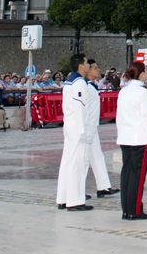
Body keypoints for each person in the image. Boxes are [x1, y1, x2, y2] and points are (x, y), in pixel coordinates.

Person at [117, 67, 147, 220]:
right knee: (138, 177)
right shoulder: (144, 92)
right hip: (140, 137)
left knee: (126, 173)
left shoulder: (124, 91)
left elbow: (119, 116)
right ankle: (135, 210)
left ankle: (126, 209)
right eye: (145, 71)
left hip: (125, 137)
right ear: (141, 74)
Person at [56, 54, 93, 211]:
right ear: (80, 66)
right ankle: (75, 201)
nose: (88, 66)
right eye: (86, 63)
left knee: (68, 162)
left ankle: (63, 198)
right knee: (77, 164)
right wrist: (83, 130)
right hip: (77, 128)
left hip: (70, 127)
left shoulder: (69, 80)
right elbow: (80, 108)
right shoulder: (79, 83)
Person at [82, 61, 119, 200]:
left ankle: (103, 186)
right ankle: (77, 189)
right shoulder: (83, 85)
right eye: (95, 68)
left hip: (92, 127)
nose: (98, 70)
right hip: (86, 128)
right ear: (88, 69)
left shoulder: (92, 85)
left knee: (97, 156)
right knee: (83, 159)